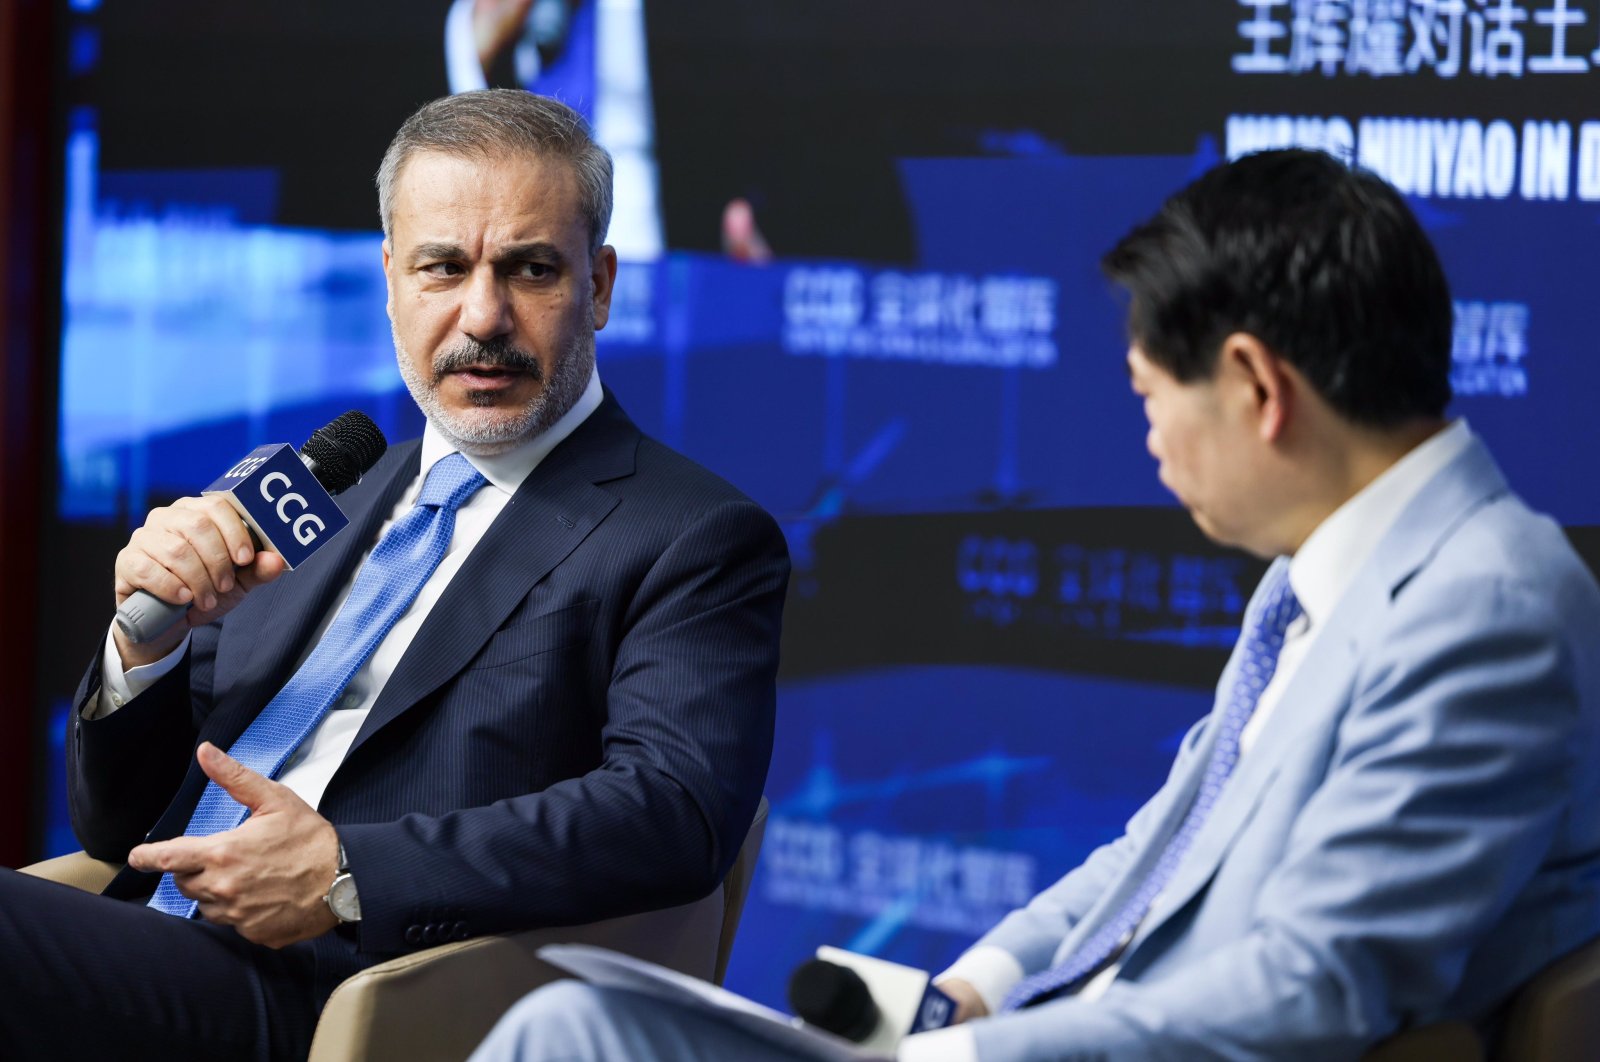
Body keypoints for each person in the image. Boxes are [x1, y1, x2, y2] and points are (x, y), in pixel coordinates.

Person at [468, 148, 1600, 1060]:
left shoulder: (1487, 608)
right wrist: (967, 993)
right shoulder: (1331, 580)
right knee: (575, 1026)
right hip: (1040, 1033)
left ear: (1257, 388)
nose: (1150, 443)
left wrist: (966, 1060)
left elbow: (1309, 988)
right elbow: (1160, 851)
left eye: (1153, 399)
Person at [0, 88, 788, 1060]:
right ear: (391, 280)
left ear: (599, 286)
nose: (482, 315)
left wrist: (345, 870)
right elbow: (119, 827)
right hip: (141, 947)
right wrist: (143, 647)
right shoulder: (321, 493)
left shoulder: (691, 533)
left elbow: (672, 813)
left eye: (530, 269)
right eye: (442, 267)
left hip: (348, 992)